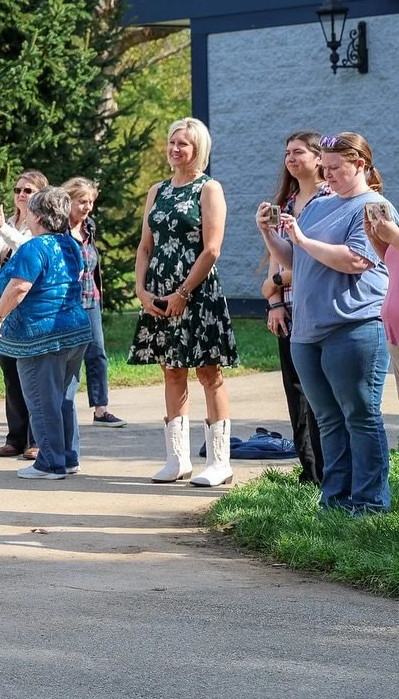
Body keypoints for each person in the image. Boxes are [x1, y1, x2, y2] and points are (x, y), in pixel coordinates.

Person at [260, 132, 392, 514]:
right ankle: (334, 500)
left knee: (360, 415)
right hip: (307, 331)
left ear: (360, 165)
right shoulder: (318, 205)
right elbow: (293, 260)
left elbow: (355, 260)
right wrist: (270, 233)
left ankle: (369, 503)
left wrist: (301, 240)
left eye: (335, 168)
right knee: (329, 419)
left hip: (354, 326)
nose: (327, 174)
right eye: (326, 168)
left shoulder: (374, 207)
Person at [129, 117, 239, 487]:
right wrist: (142, 290)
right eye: (172, 142)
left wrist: (182, 294)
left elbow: (212, 249)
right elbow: (145, 246)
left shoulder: (209, 189)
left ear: (199, 150)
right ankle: (177, 459)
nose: (176, 149)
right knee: (171, 370)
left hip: (197, 292)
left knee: (209, 373)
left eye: (184, 145)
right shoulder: (157, 190)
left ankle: (219, 462)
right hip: (159, 291)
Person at [0, 186, 91, 480]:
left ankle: (50, 463)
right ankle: (68, 458)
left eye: (31, 211)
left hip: (40, 337)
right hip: (75, 331)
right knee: (64, 400)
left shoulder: (35, 247)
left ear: (39, 216)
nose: (28, 216)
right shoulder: (69, 244)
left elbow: (19, 287)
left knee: (42, 401)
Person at [259, 131, 327, 485]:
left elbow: (319, 263)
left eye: (298, 152)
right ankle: (310, 470)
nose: (290, 158)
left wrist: (280, 281)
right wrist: (273, 302)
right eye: (287, 152)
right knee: (296, 390)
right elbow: (275, 260)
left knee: (321, 393)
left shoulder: (332, 200)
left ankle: (329, 471)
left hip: (320, 309)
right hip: (287, 310)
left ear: (319, 159)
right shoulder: (284, 204)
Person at [0, 169, 46, 459]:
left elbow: (30, 249)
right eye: (18, 190)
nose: (21, 195)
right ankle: (15, 437)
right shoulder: (8, 224)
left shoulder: (40, 224)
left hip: (27, 307)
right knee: (10, 374)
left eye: (28, 191)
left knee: (31, 374)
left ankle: (35, 439)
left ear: (40, 194)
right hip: (0, 305)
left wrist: (3, 228)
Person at [63, 177, 125, 429]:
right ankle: (65, 409)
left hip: (91, 300)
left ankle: (101, 409)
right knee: (70, 358)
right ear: (68, 201)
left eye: (90, 202)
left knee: (97, 352)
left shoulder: (90, 227)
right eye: (82, 202)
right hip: (67, 303)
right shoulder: (58, 229)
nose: (87, 207)